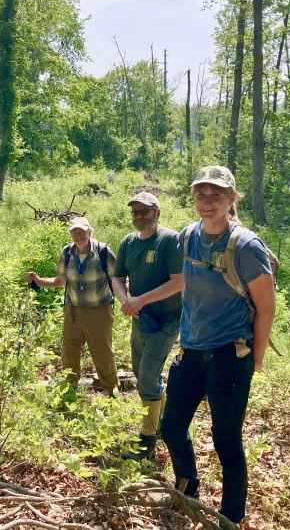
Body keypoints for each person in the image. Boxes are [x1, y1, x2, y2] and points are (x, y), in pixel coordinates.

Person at [160, 166, 276, 527]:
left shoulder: (246, 246)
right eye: (200, 194)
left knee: (226, 438)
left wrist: (254, 359)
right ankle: (187, 488)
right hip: (190, 350)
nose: (207, 202)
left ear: (231, 199)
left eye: (216, 195)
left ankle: (231, 516)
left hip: (230, 354)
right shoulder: (187, 237)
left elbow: (267, 307)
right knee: (171, 426)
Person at [112, 192, 184, 461]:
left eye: (145, 211)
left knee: (146, 378)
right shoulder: (128, 242)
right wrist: (126, 302)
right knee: (142, 374)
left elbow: (179, 281)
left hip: (166, 320)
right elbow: (117, 278)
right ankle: (163, 422)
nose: (140, 216)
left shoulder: (169, 240)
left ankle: (147, 442)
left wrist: (140, 299)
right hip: (140, 320)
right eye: (136, 212)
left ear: (157, 213)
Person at [26, 216, 118, 393]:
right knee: (70, 349)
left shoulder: (103, 251)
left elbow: (117, 280)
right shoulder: (67, 252)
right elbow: (60, 280)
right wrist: (38, 281)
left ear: (89, 232)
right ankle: (70, 389)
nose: (78, 235)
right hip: (73, 310)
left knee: (102, 352)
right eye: (74, 232)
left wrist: (133, 299)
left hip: (99, 310)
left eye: (81, 231)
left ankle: (111, 390)